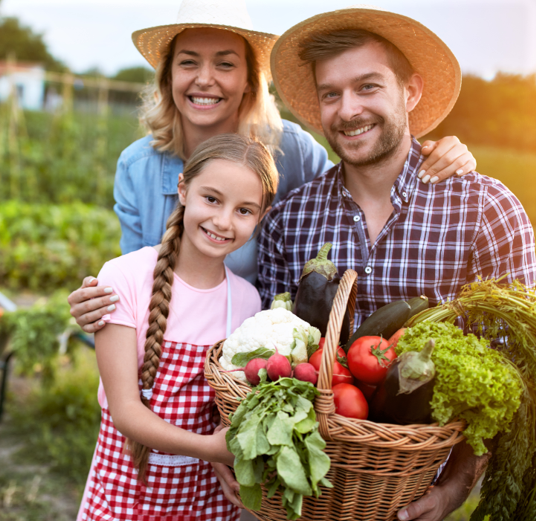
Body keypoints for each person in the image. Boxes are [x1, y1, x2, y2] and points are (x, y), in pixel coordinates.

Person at [256, 7, 536, 521]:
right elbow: (269, 361)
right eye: (331, 94)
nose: (348, 110)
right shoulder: (288, 221)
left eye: (368, 87)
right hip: (300, 494)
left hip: (415, 498)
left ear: (410, 91)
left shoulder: (488, 213)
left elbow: (511, 376)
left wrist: (454, 490)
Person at [69, 0, 476, 335]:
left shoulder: (291, 151)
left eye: (225, 64)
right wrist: (100, 303)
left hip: (247, 353)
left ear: (249, 79)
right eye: (188, 63)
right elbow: (134, 281)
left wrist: (438, 151)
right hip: (167, 350)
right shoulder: (138, 166)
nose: (204, 80)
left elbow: (361, 177)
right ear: (169, 75)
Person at [77, 134, 277, 520]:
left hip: (204, 501)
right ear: (183, 189)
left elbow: (224, 410)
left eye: (244, 210)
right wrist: (211, 448)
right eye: (212, 199)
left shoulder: (247, 302)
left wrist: (220, 454)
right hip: (124, 495)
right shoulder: (125, 278)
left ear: (262, 215)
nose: (222, 221)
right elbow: (125, 412)